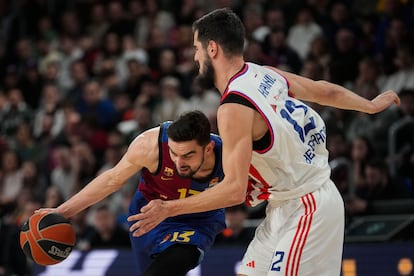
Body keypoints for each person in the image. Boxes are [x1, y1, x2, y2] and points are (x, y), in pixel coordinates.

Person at [128, 8, 401, 276]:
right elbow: (323, 90)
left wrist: (169, 208)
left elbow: (233, 191)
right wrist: (370, 105)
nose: (196, 56)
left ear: (212, 49)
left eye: (197, 48)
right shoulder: (264, 73)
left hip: (306, 204)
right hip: (284, 204)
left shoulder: (233, 107)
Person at [36, 110, 226, 275]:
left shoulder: (229, 154)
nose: (178, 162)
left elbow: (237, 193)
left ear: (208, 148)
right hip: (148, 218)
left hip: (197, 221)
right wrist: (62, 212)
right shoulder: (149, 145)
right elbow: (112, 179)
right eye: (173, 154)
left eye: (187, 155)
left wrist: (170, 208)